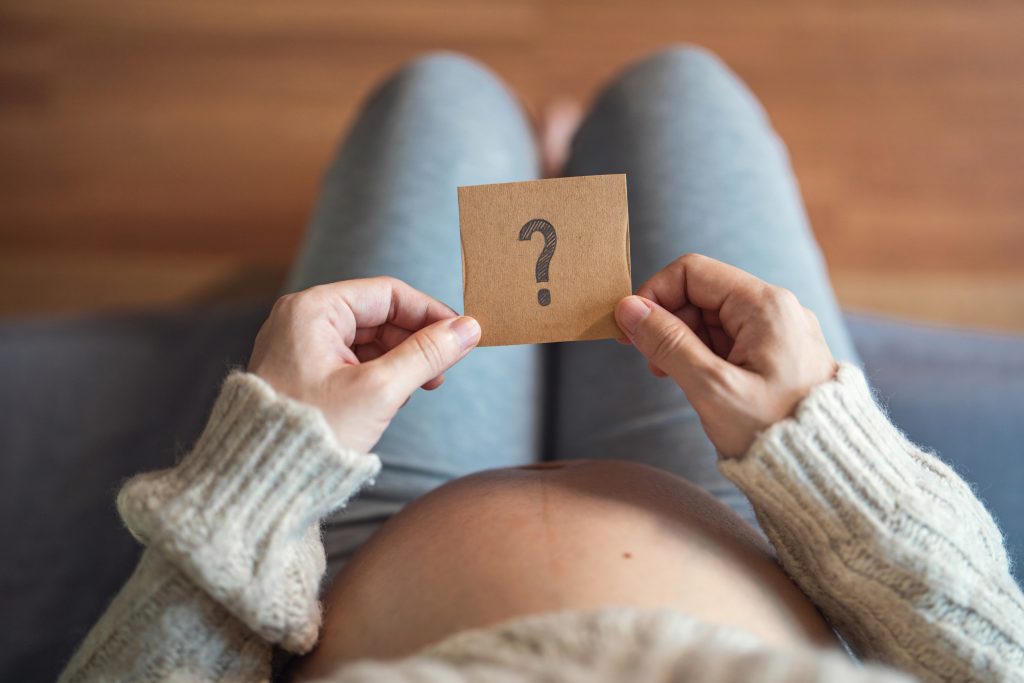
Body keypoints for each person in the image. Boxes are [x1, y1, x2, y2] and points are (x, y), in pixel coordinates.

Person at [58, 48, 1023, 683]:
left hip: (334, 561)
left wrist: (261, 475)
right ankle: (565, 160)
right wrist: (821, 446)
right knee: (679, 87)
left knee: (437, 93)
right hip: (769, 533)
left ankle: (546, 155)